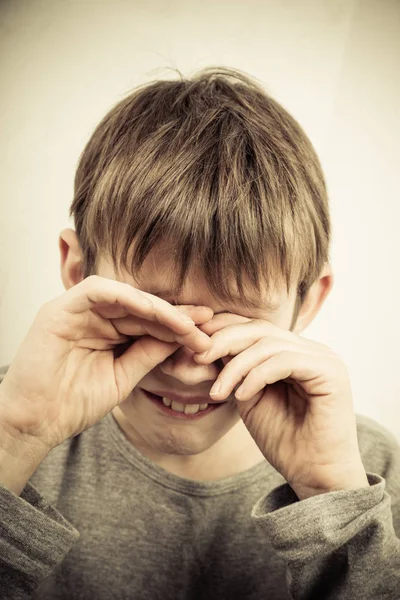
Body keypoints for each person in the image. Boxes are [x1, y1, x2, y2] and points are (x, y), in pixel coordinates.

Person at [0, 67, 399, 600]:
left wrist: (333, 499)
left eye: (237, 318)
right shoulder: (8, 421)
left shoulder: (370, 471)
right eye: (152, 313)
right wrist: (14, 442)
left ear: (308, 301)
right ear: (78, 273)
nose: (189, 363)